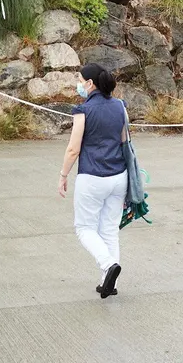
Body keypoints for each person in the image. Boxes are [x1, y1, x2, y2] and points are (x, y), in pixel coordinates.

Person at [58, 62, 129, 299]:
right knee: (109, 229)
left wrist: (63, 175)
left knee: (84, 228)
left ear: (89, 84)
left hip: (92, 176)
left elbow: (73, 150)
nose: (77, 84)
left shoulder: (83, 111)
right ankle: (108, 282)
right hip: (119, 176)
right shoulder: (120, 106)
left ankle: (108, 265)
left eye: (79, 79)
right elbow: (124, 142)